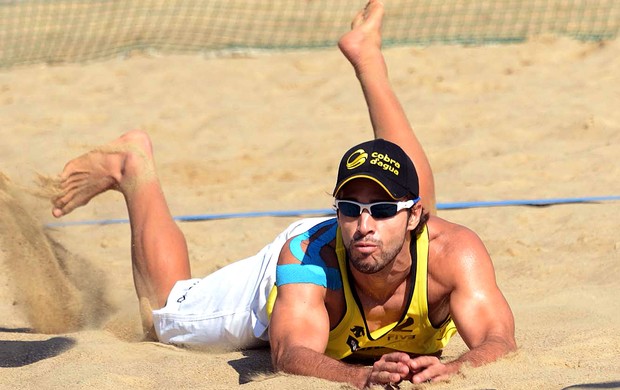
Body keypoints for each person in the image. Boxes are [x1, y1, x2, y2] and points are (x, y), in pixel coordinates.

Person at [51, 0, 516, 388]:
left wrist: (455, 367)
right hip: (277, 287)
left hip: (406, 244)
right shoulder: (308, 259)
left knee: (410, 181)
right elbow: (290, 353)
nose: (364, 223)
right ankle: (132, 166)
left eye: (380, 209)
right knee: (163, 316)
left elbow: (498, 340)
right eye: (350, 209)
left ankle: (367, 57)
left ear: (415, 218)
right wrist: (360, 378)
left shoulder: (455, 253)